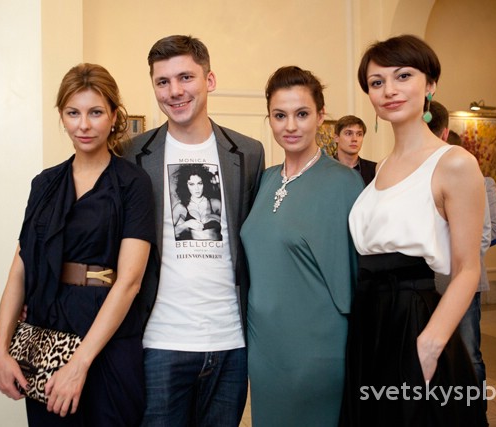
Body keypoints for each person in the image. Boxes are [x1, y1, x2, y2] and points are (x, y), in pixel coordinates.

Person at [0, 63, 155, 426]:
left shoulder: (133, 184)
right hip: (46, 324)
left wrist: (78, 364)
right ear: (62, 116)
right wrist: (0, 350)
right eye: (73, 113)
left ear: (114, 116)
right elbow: (20, 269)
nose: (84, 125)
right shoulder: (44, 184)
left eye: (95, 112)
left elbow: (130, 281)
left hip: (108, 332)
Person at [344, 35, 488, 426]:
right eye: (377, 82)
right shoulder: (380, 168)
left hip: (414, 320)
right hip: (369, 320)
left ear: (430, 84)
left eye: (403, 76)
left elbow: (467, 268)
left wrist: (431, 343)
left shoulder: (454, 163)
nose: (389, 90)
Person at [123, 35, 265, 427]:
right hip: (160, 341)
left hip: (231, 341)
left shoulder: (248, 152)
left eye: (185, 77)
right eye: (163, 81)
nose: (175, 91)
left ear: (209, 80)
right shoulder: (133, 154)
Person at [240, 66, 364, 427]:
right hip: (264, 348)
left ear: (321, 116)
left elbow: (356, 277)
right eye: (280, 116)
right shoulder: (264, 180)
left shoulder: (344, 183)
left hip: (316, 348)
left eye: (302, 114)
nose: (290, 126)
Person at [430, 100, 496, 403]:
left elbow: (486, 233)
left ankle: (475, 412)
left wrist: (461, 262)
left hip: (463, 278)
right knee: (434, 352)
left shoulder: (479, 180)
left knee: (469, 351)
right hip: (426, 280)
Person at [171, 163, 222, 240]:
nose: (196, 188)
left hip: (217, 246)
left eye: (199, 183)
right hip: (192, 247)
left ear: (204, 183)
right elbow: (166, 232)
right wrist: (185, 225)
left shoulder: (215, 203)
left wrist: (216, 218)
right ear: (185, 185)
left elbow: (232, 226)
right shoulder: (181, 207)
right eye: (191, 184)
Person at [333, 115, 376, 185]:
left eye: (359, 134)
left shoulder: (375, 170)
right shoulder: (324, 169)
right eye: (348, 133)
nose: (354, 139)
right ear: (336, 138)